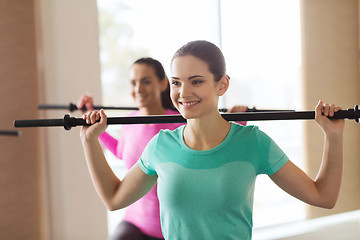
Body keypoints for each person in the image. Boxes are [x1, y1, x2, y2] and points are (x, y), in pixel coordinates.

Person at [80, 41, 344, 240]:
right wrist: (90, 142)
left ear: (222, 85)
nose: (184, 93)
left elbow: (323, 196)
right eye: (176, 82)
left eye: (196, 81)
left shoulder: (253, 142)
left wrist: (333, 136)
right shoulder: (161, 146)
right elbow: (114, 199)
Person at [78, 57, 248, 239]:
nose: (138, 89)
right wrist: (93, 127)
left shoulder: (182, 123)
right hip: (135, 224)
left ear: (162, 84)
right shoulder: (128, 123)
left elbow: (213, 144)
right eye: (133, 83)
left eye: (146, 81)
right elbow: (121, 151)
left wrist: (236, 122)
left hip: (173, 229)